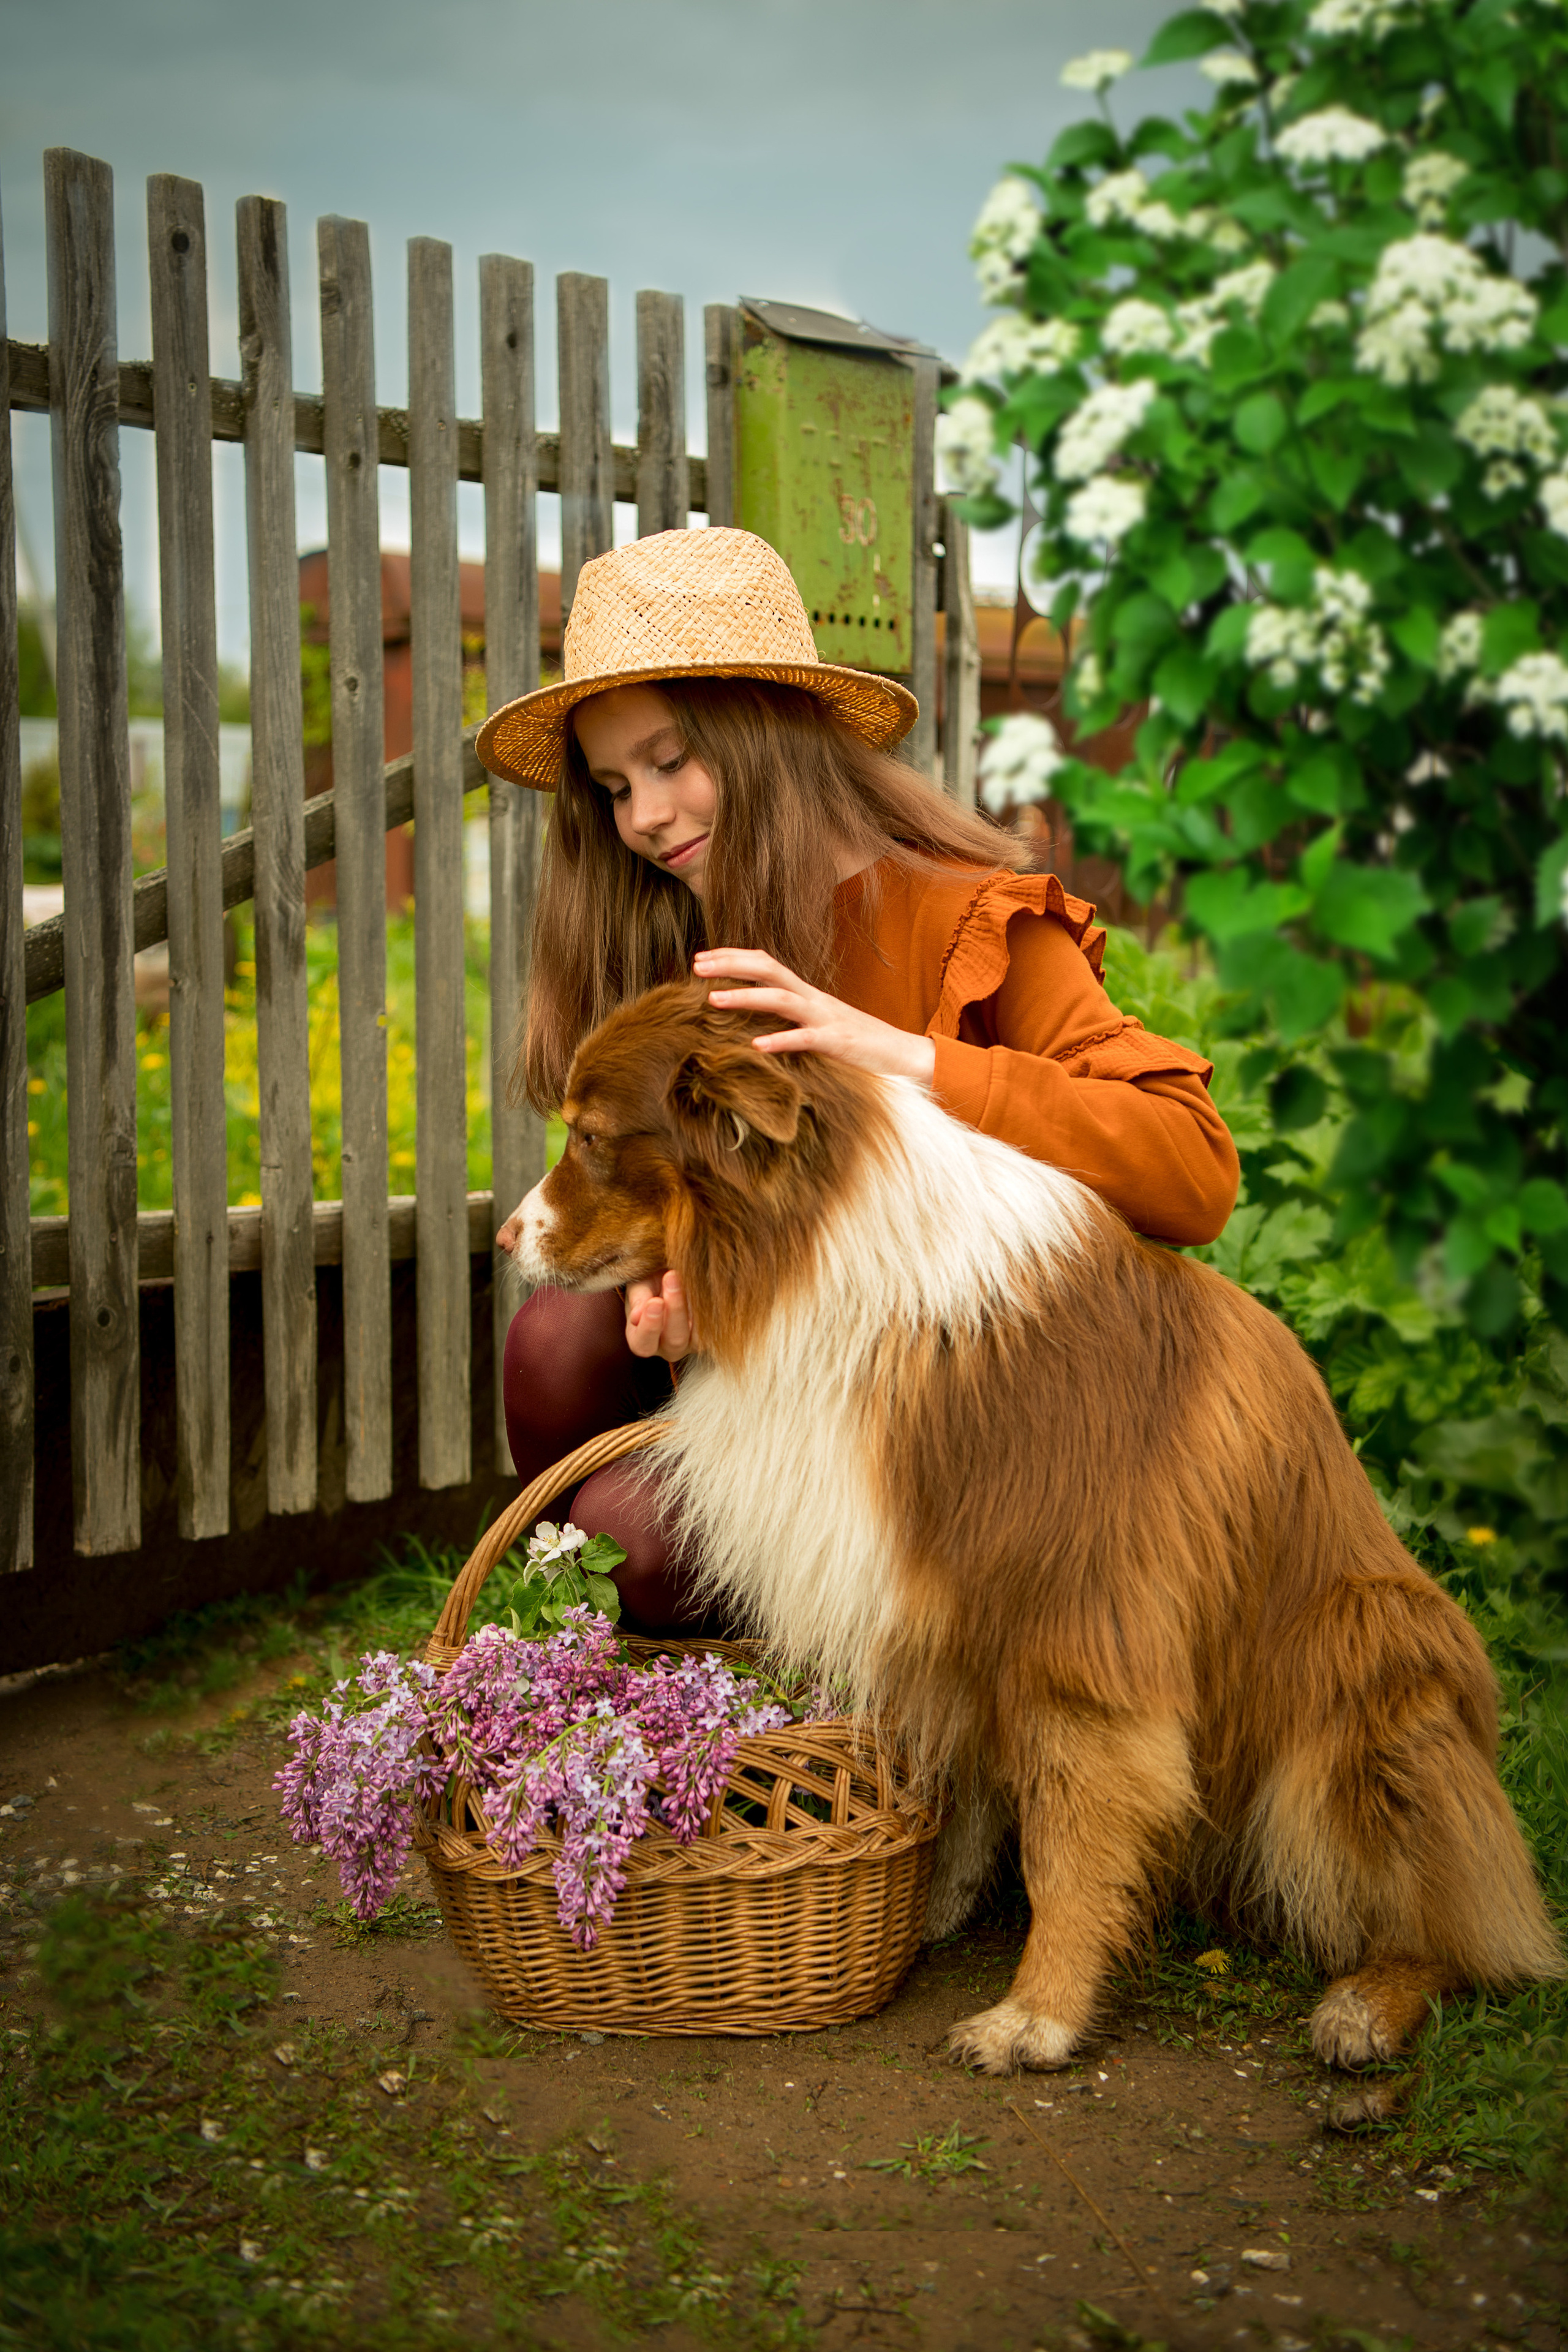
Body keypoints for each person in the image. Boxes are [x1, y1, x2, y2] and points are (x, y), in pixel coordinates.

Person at [477, 528, 1238, 1630]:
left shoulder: (970, 920)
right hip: (771, 1393)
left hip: (958, 1418)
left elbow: (1194, 1166)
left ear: (768, 730)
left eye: (673, 758)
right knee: (555, 1342)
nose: (643, 816)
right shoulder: (674, 932)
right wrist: (671, 1274)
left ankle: (834, 1708)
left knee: (638, 1541)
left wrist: (895, 1057)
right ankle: (618, 1700)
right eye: (612, 786)